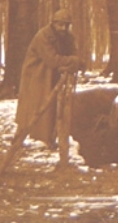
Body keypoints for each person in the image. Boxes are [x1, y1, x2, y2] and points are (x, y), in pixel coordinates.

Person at [15, 8, 81, 148]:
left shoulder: (68, 37)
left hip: (52, 75)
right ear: (53, 24)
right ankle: (20, 138)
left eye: (66, 25)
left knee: (53, 107)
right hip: (37, 75)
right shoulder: (43, 36)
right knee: (34, 107)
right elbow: (52, 60)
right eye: (60, 25)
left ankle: (50, 138)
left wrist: (73, 61)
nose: (63, 28)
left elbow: (74, 54)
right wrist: (73, 62)